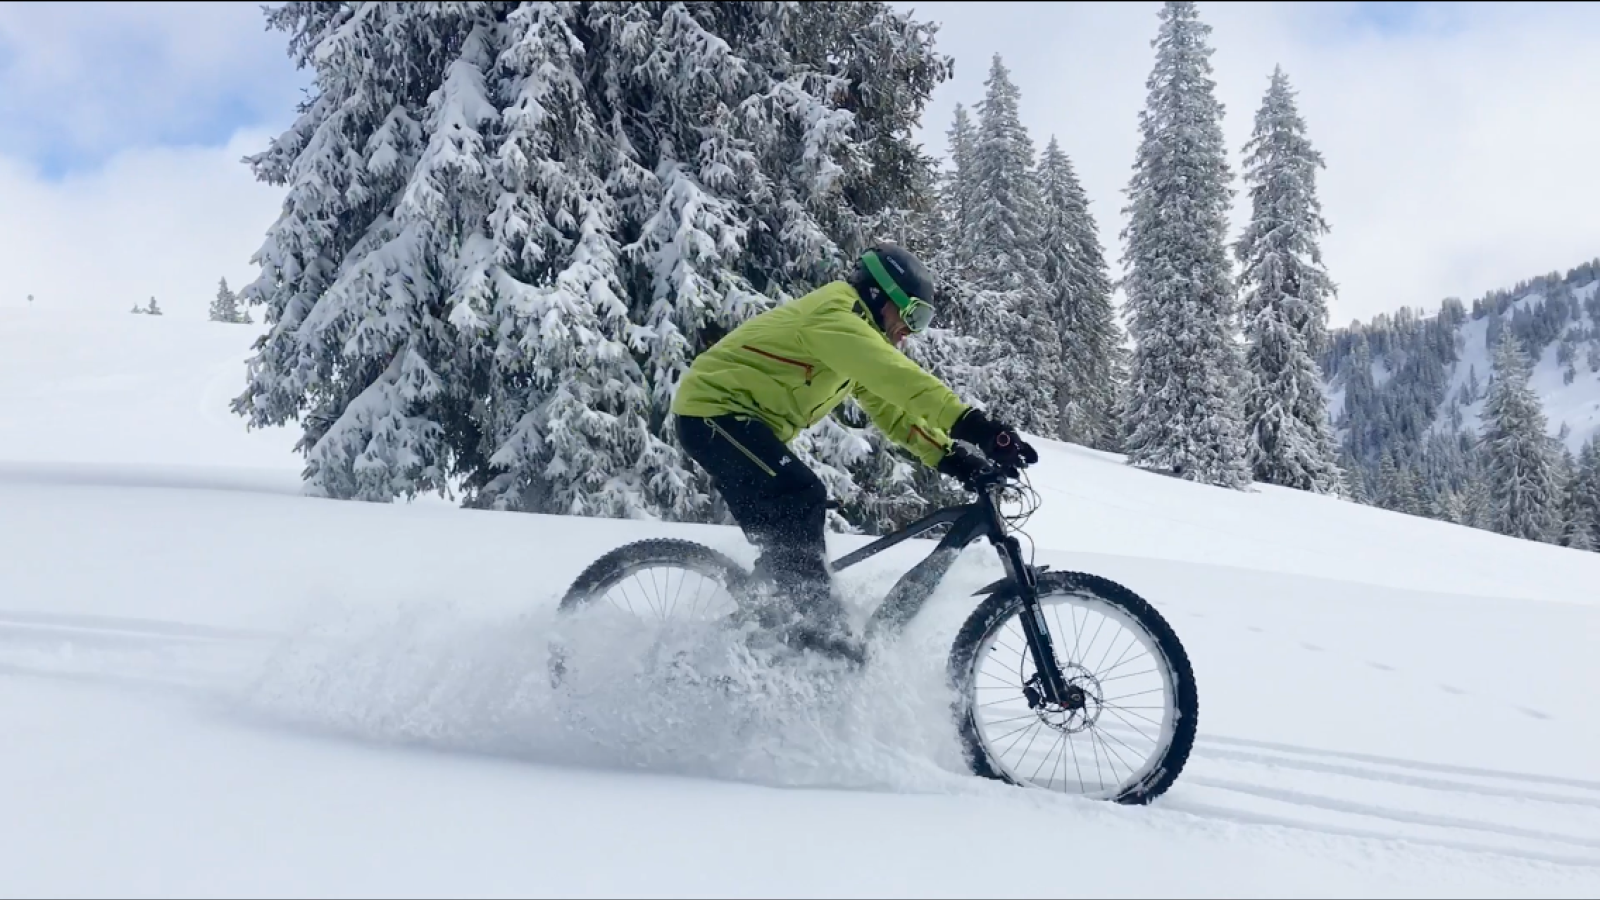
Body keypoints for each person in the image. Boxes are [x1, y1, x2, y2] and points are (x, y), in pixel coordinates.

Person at [670, 242, 1039, 663]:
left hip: (738, 423)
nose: (912, 331)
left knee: (791, 542)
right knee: (800, 494)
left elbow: (896, 413)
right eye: (914, 315)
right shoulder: (835, 315)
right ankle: (816, 635)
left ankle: (771, 631)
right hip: (711, 414)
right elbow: (896, 377)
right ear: (884, 296)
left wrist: (953, 457)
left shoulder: (853, 340)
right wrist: (975, 425)